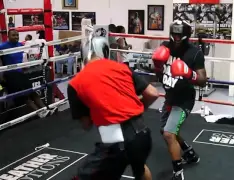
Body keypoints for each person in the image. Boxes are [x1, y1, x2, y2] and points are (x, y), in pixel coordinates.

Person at [68, 36, 158, 180]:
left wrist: (98, 106)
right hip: (142, 134)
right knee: (140, 170)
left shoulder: (75, 83)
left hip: (114, 141)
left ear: (83, 55)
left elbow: (86, 125)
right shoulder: (122, 68)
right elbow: (153, 93)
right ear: (105, 52)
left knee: (84, 176)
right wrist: (137, 108)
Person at [151, 20, 207, 180]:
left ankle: (178, 174)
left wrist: (189, 74)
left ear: (185, 35)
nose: (175, 38)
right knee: (166, 131)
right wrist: (157, 67)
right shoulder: (164, 46)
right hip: (170, 98)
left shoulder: (195, 53)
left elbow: (203, 79)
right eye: (173, 34)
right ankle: (189, 154)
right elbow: (160, 74)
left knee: (169, 134)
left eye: (178, 35)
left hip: (184, 100)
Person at [0, 29, 56, 118]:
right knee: (24, 95)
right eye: (13, 35)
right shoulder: (3, 46)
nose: (16, 37)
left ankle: (46, 109)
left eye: (17, 35)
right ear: (8, 36)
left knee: (32, 91)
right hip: (11, 75)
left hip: (21, 73)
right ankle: (40, 113)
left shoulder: (21, 45)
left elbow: (29, 56)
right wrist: (1, 72)